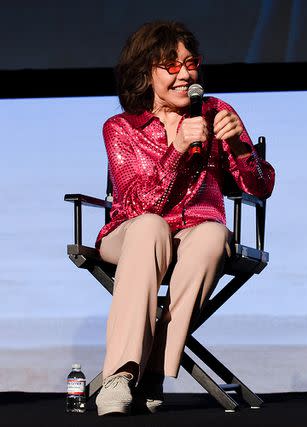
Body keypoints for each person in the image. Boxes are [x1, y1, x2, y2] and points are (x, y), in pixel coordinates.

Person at [93, 21, 275, 416]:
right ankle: (120, 375)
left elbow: (259, 187)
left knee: (212, 234)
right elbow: (137, 202)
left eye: (189, 64)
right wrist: (175, 149)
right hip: (132, 232)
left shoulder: (216, 112)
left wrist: (240, 145)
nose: (184, 74)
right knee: (150, 227)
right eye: (170, 66)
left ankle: (154, 370)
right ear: (145, 73)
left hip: (195, 234)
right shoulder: (122, 128)